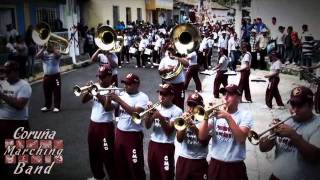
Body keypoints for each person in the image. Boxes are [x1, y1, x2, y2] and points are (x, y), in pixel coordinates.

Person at [259, 86, 320, 180]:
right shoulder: (284, 119)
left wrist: (293, 135)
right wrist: (271, 135)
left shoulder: (317, 125)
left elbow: (315, 157)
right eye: (292, 104)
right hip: (275, 177)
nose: (294, 110)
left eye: (300, 106)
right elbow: (263, 148)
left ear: (311, 106)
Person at [198, 84, 253, 180]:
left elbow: (241, 138)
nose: (226, 97)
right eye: (224, 94)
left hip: (235, 166)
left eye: (230, 94)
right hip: (216, 164)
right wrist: (206, 116)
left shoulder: (245, 115)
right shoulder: (215, 114)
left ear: (239, 98)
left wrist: (228, 117)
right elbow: (201, 136)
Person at [109, 73, 149, 180]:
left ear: (136, 85)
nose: (125, 86)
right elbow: (109, 108)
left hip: (133, 135)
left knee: (135, 165)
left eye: (128, 84)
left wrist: (119, 100)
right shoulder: (122, 95)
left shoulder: (143, 97)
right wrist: (109, 96)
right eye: (125, 83)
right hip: (120, 133)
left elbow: (135, 113)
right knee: (120, 163)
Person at [81, 65, 116, 180]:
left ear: (110, 77)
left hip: (106, 127)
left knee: (107, 154)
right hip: (93, 125)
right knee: (93, 152)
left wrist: (96, 93)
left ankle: (113, 176)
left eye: (103, 77)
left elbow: (107, 107)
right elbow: (83, 101)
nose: (100, 79)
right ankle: (98, 176)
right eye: (99, 76)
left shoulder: (113, 90)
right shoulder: (96, 86)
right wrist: (87, 90)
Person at [0, 61, 32, 179]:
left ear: (15, 72)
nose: (5, 74)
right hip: (2, 123)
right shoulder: (3, 83)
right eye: (4, 72)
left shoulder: (24, 86)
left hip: (19, 124)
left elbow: (19, 105)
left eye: (8, 72)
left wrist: (2, 95)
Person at [144, 84, 182, 180]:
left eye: (164, 94)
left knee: (166, 174)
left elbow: (169, 131)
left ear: (172, 96)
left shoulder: (177, 111)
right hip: (153, 144)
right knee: (154, 172)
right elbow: (147, 126)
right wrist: (149, 114)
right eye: (160, 93)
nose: (161, 96)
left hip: (166, 145)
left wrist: (159, 116)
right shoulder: (157, 108)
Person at [176, 93, 210, 180]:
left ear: (201, 107)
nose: (191, 109)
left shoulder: (207, 121)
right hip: (183, 159)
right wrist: (183, 127)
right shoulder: (183, 117)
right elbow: (179, 139)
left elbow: (204, 143)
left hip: (199, 161)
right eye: (189, 105)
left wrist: (194, 128)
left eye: (194, 106)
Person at [35, 44, 62, 112]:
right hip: (46, 76)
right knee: (46, 92)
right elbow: (36, 56)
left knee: (57, 91)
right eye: (48, 46)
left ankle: (57, 106)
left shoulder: (56, 53)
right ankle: (47, 106)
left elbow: (58, 55)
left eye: (49, 46)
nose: (48, 47)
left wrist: (53, 49)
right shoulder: (44, 53)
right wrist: (43, 48)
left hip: (56, 76)